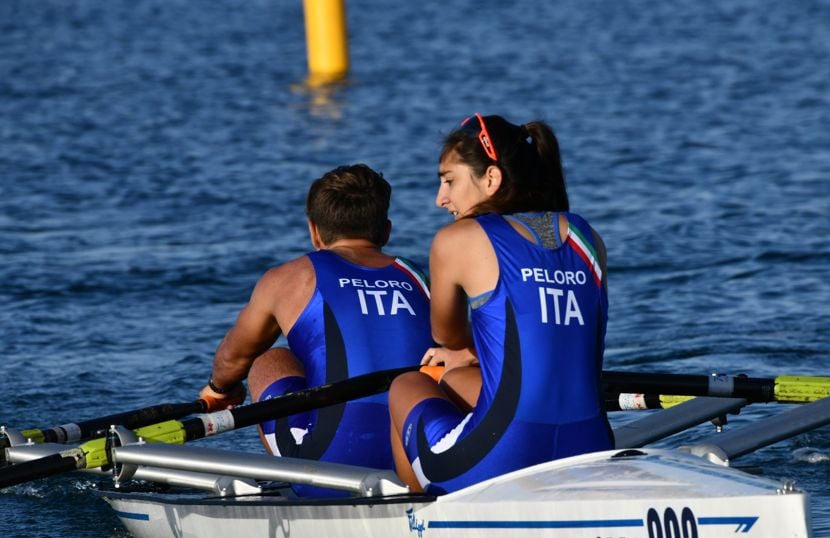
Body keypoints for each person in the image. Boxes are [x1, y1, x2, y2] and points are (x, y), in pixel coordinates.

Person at [388, 113, 611, 494]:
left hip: (503, 455)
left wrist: (466, 351)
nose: (441, 199)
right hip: (591, 447)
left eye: (449, 181)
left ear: (491, 179)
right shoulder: (586, 235)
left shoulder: (456, 239)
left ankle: (415, 515)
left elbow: (447, 338)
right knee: (456, 376)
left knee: (408, 383)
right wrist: (472, 356)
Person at [200, 164, 433, 496]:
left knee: (269, 359)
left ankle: (299, 474)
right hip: (420, 457)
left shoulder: (289, 278)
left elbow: (230, 361)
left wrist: (218, 390)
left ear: (314, 231)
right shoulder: (417, 276)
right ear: (386, 231)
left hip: (332, 469)